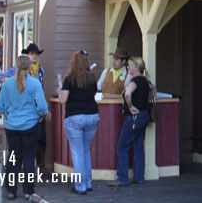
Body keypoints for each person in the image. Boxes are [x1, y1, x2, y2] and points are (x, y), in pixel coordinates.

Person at [0, 55, 48, 200]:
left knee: (13, 158)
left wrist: (9, 115)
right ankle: (28, 191)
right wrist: (40, 116)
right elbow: (43, 107)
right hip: (30, 125)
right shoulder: (35, 84)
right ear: (29, 67)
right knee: (29, 158)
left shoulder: (7, 85)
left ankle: (11, 191)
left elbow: (0, 107)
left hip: (12, 126)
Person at [0, 44, 52, 179]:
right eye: (32, 53)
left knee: (41, 140)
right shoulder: (14, 74)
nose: (34, 56)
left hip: (32, 116)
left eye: (36, 53)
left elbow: (0, 106)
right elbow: (2, 78)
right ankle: (23, 184)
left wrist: (43, 112)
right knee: (22, 153)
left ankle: (39, 168)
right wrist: (15, 84)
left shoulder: (40, 71)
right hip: (24, 116)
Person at [107, 56, 155, 188]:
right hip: (144, 115)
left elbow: (128, 94)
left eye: (129, 65)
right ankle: (139, 177)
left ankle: (122, 178)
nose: (127, 67)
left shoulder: (135, 81)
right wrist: (144, 100)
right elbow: (154, 91)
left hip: (134, 117)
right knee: (138, 146)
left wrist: (130, 106)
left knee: (122, 147)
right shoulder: (145, 80)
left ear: (136, 67)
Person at [58, 50, 100, 195]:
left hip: (75, 117)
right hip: (92, 116)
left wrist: (59, 91)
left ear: (73, 62)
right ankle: (88, 183)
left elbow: (63, 99)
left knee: (77, 153)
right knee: (86, 150)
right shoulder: (92, 79)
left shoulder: (69, 79)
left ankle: (80, 186)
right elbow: (94, 94)